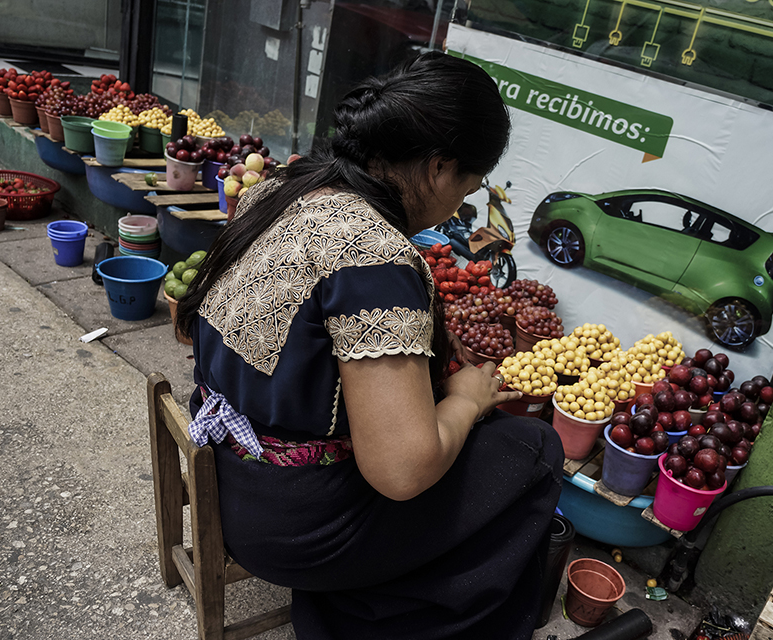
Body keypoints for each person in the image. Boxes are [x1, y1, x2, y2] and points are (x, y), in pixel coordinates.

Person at [175, 51, 564, 640]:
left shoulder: (281, 190)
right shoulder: (373, 258)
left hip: (230, 474)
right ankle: (389, 615)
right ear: (439, 168)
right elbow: (402, 473)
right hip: (295, 528)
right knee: (531, 448)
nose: (461, 203)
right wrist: (467, 398)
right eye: (468, 185)